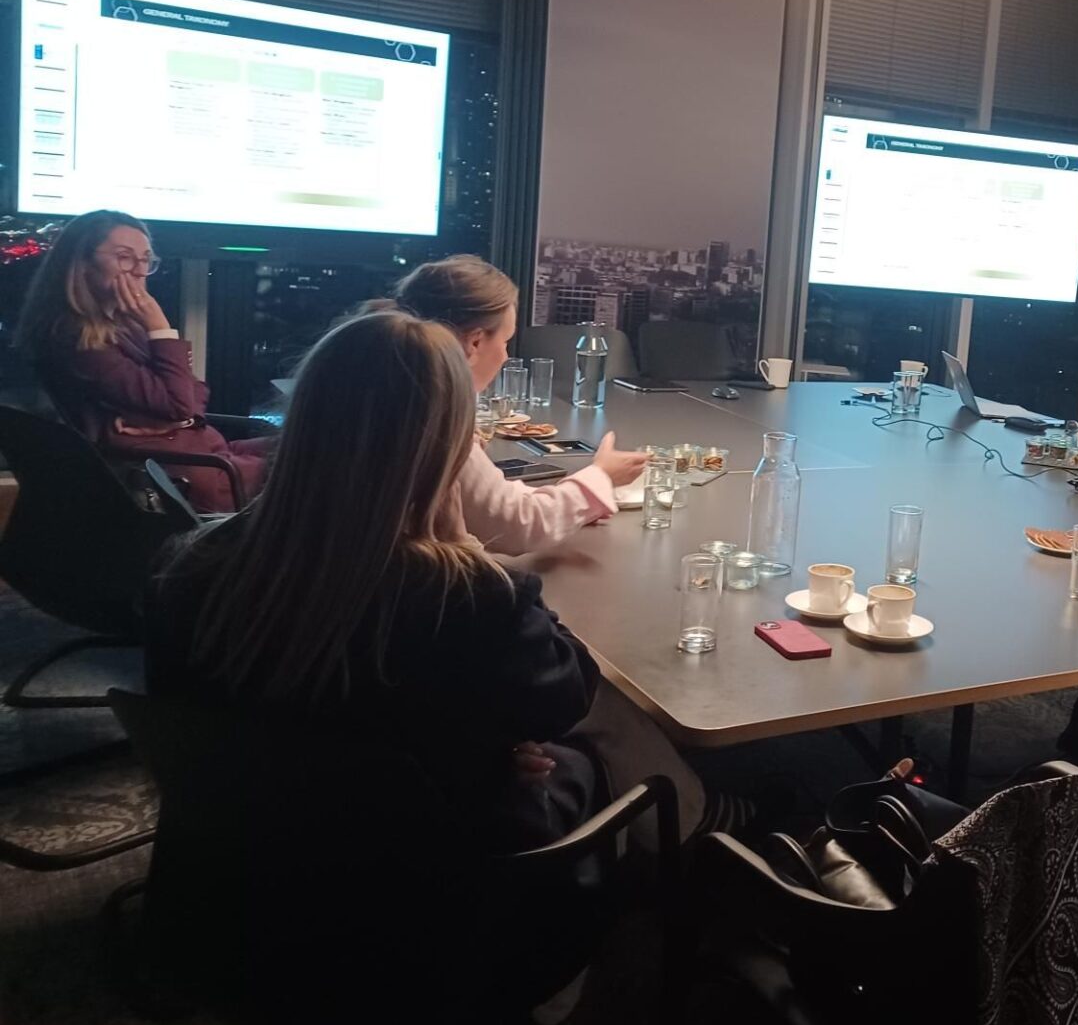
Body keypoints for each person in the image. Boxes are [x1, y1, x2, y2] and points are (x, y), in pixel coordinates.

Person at [147, 309, 720, 849]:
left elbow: (222, 718)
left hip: (237, 862)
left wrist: (472, 743)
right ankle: (711, 827)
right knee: (591, 749)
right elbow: (568, 696)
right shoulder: (465, 598)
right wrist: (469, 555)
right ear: (443, 447)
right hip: (436, 880)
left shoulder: (192, 565)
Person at [376, 255, 649, 557]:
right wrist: (602, 476)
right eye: (505, 342)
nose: (505, 356)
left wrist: (573, 497)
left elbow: (489, 503)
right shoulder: (436, 423)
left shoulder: (387, 393)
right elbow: (518, 526)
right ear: (475, 343)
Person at [14, 209, 269, 513]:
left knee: (302, 442)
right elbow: (180, 404)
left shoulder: (125, 326)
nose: (138, 270)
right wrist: (160, 327)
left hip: (202, 449)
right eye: (125, 257)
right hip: (180, 472)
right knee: (308, 461)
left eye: (146, 259)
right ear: (82, 264)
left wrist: (177, 419)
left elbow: (196, 392)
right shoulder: (77, 341)